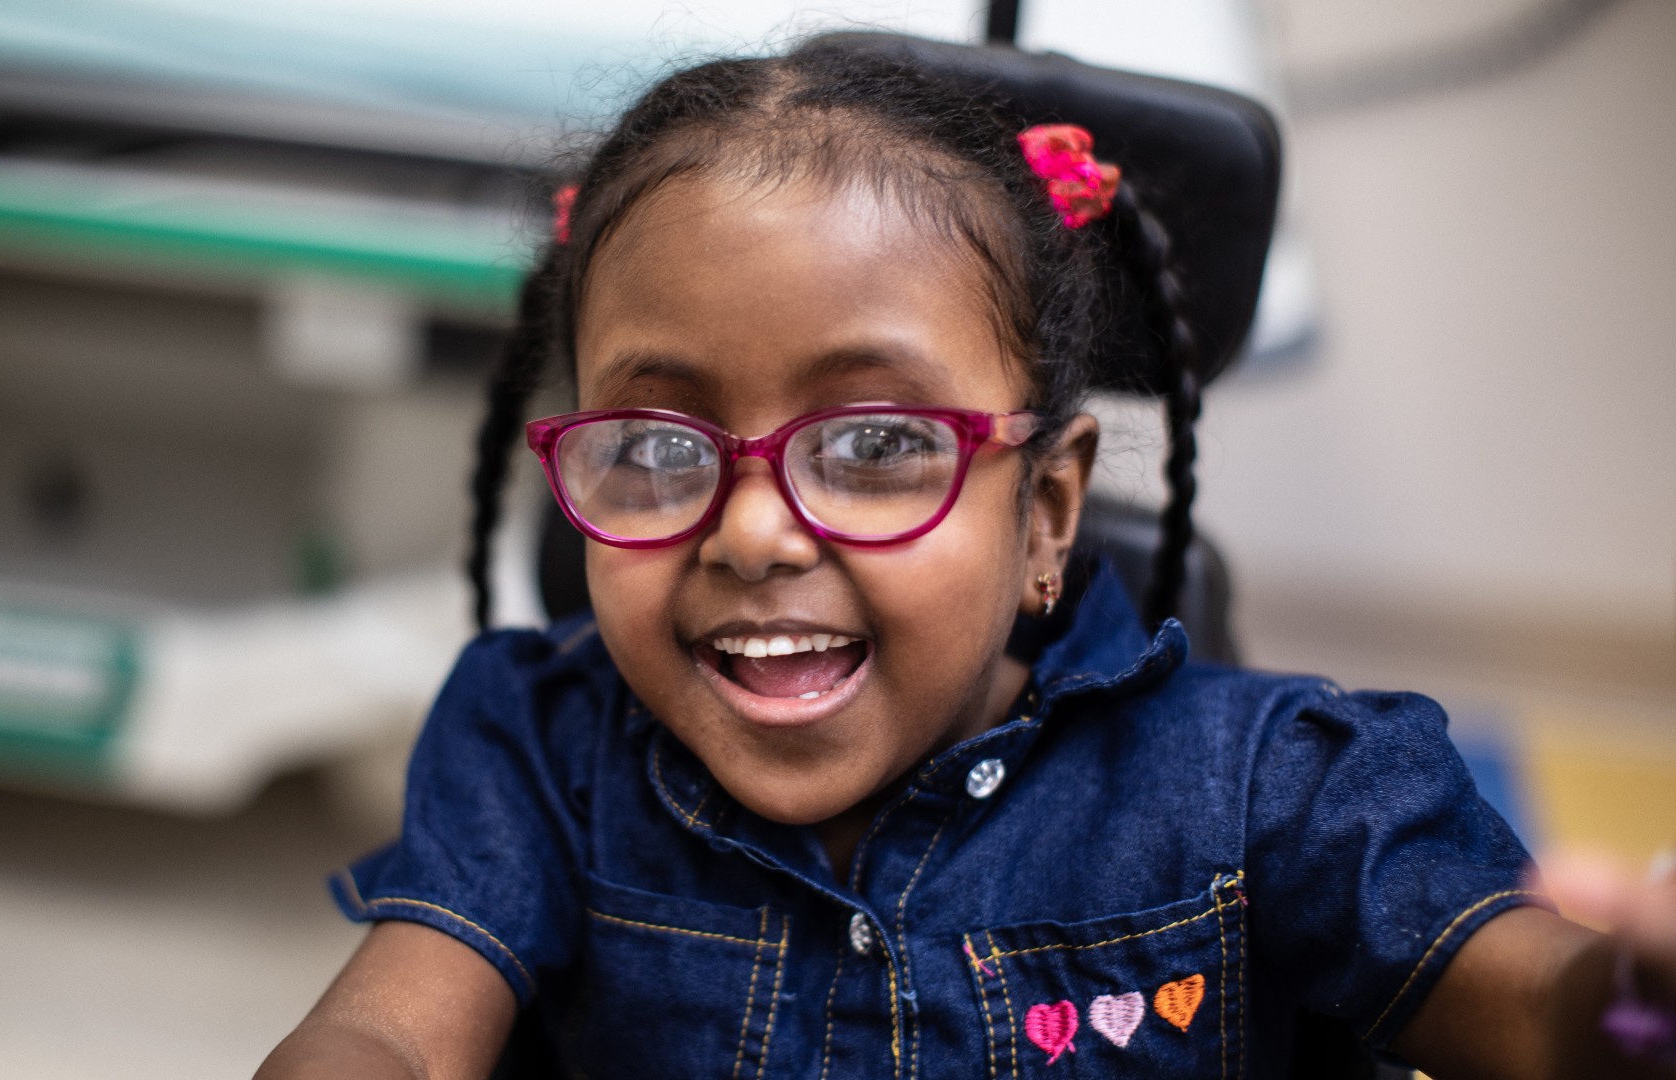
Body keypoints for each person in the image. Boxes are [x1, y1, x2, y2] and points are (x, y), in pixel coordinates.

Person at [258, 37, 1676, 1080]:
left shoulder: (1277, 794)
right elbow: (394, 1031)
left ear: (1047, 510)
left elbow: (1538, 1011)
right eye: (655, 443)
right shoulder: (538, 748)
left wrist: (1636, 1002)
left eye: (877, 445)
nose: (751, 532)